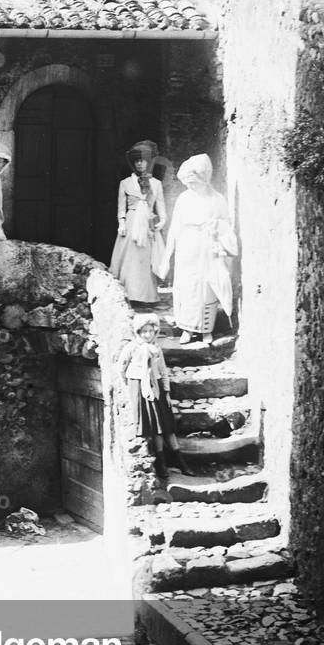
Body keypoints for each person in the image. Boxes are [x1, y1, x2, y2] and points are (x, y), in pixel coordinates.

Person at [158, 153, 238, 346]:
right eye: (188, 183)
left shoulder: (217, 199)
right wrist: (168, 255)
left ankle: (206, 331)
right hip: (188, 246)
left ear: (204, 179)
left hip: (208, 246)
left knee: (206, 288)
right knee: (187, 287)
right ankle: (186, 329)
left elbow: (226, 224)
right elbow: (175, 227)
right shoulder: (184, 199)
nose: (190, 186)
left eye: (194, 182)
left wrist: (216, 225)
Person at [119, 314, 192, 479]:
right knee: (156, 429)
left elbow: (163, 371)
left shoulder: (156, 348)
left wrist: (166, 392)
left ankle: (181, 462)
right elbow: (121, 368)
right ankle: (161, 464)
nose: (147, 335)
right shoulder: (132, 348)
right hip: (139, 386)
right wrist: (132, 386)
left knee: (166, 426)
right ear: (138, 332)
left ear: (155, 331)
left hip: (157, 387)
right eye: (143, 332)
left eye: (150, 331)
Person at [109, 140, 167, 303]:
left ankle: (145, 296)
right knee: (129, 259)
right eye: (137, 161)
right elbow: (121, 208)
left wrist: (161, 221)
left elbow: (161, 206)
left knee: (145, 259)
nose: (140, 164)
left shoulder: (156, 184)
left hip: (147, 224)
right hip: (131, 223)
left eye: (143, 161)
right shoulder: (125, 183)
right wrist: (121, 223)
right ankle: (127, 295)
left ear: (148, 163)